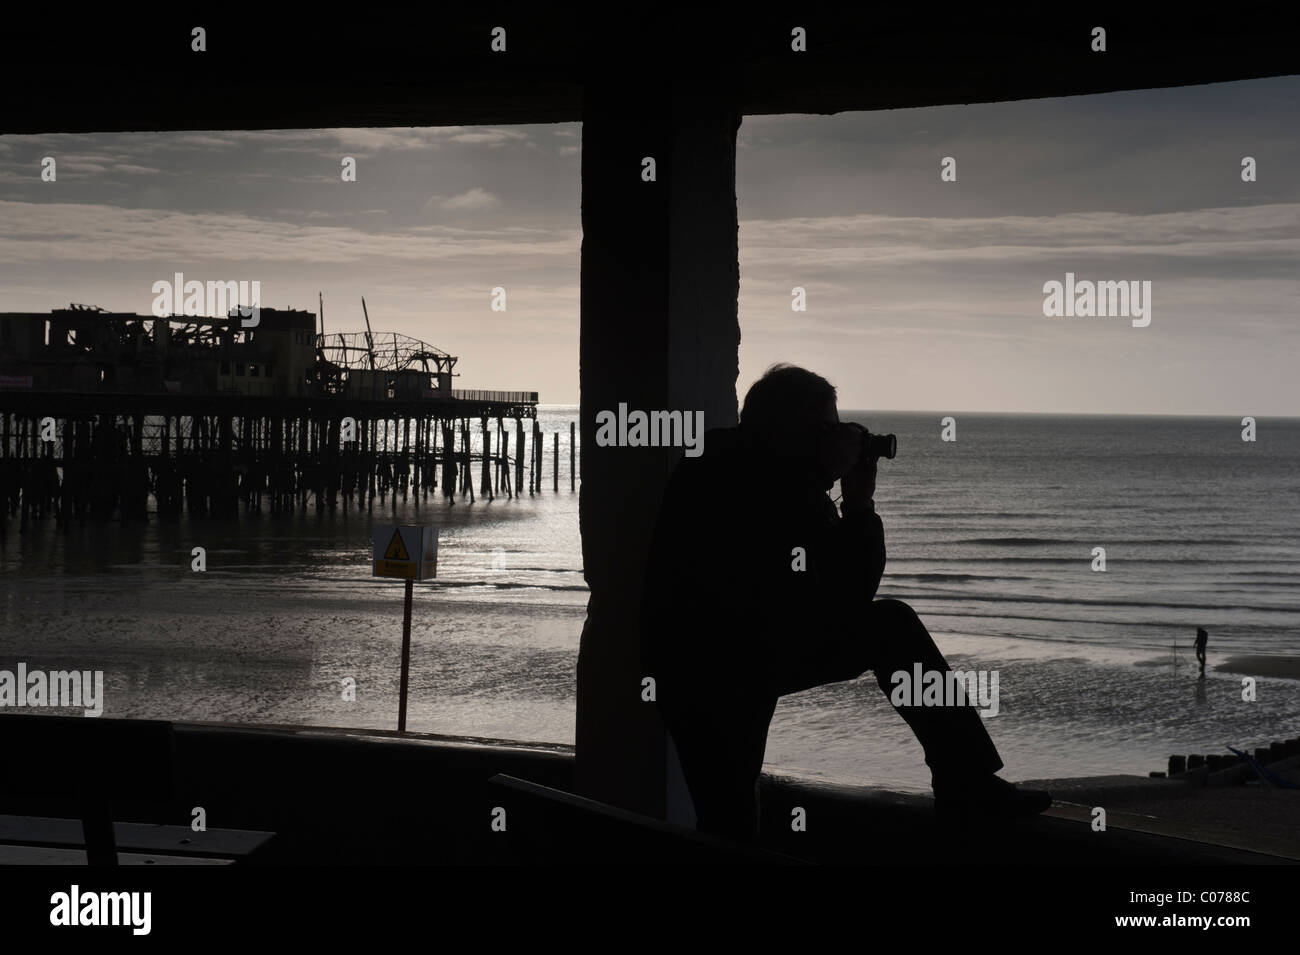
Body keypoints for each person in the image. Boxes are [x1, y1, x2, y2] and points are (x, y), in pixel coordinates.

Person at [640, 364, 1051, 842]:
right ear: (796, 428)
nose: (836, 439)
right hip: (721, 665)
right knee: (890, 627)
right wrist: (846, 497)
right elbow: (846, 593)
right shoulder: (756, 476)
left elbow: (832, 594)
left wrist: (839, 492)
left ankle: (968, 782)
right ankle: (967, 784)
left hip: (719, 660)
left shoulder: (728, 461)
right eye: (828, 427)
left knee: (727, 816)